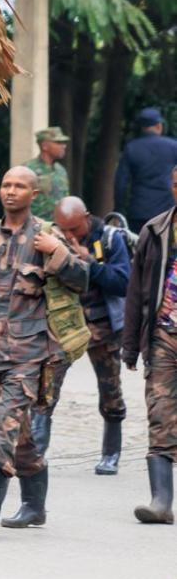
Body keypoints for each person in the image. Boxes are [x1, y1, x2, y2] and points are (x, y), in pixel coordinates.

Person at [0, 166, 89, 536]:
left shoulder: (47, 237)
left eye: (20, 186)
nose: (11, 191)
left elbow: (82, 279)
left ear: (34, 194)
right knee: (21, 434)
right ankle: (35, 505)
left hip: (31, 352)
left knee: (5, 423)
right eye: (5, 184)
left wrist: (59, 255)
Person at [52, 196, 131, 475]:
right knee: (46, 387)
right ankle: (34, 451)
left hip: (103, 327)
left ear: (87, 217)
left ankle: (111, 454)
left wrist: (90, 264)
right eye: (65, 230)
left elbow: (123, 282)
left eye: (74, 229)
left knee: (110, 390)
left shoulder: (110, 239)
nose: (69, 235)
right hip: (66, 325)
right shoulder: (53, 238)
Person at [121, 165, 177, 526]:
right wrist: (129, 346)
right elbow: (137, 292)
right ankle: (161, 501)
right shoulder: (156, 230)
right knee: (160, 414)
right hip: (163, 337)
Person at [117, 108, 177, 234]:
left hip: (139, 211)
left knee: (140, 249)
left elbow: (121, 183)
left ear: (142, 128)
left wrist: (119, 209)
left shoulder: (131, 148)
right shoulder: (173, 146)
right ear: (159, 126)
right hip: (167, 210)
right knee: (167, 249)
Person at [25, 127, 70, 220]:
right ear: (44, 146)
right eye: (58, 142)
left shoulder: (61, 170)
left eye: (63, 143)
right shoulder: (28, 170)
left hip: (58, 227)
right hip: (35, 227)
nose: (64, 146)